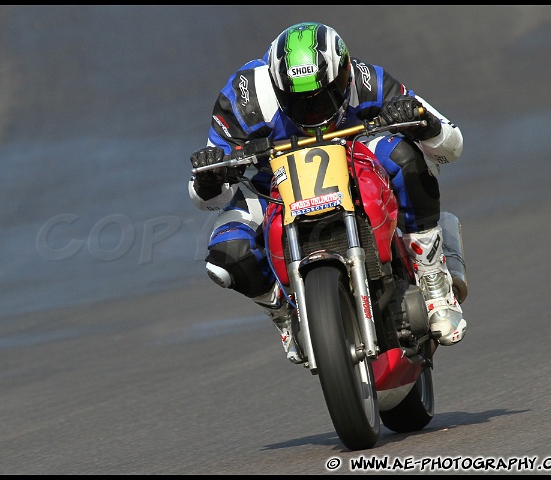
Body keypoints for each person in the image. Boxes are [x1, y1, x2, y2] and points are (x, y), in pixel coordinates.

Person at [188, 22, 467, 363]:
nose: (315, 113)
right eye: (301, 103)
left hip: (357, 166)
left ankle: (433, 278)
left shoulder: (368, 81)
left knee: (404, 156)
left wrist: (424, 123)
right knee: (226, 254)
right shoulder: (244, 97)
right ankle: (285, 315)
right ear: (278, 89)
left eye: (324, 98)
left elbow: (452, 144)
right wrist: (210, 177)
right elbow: (207, 196)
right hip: (270, 188)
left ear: (344, 76)